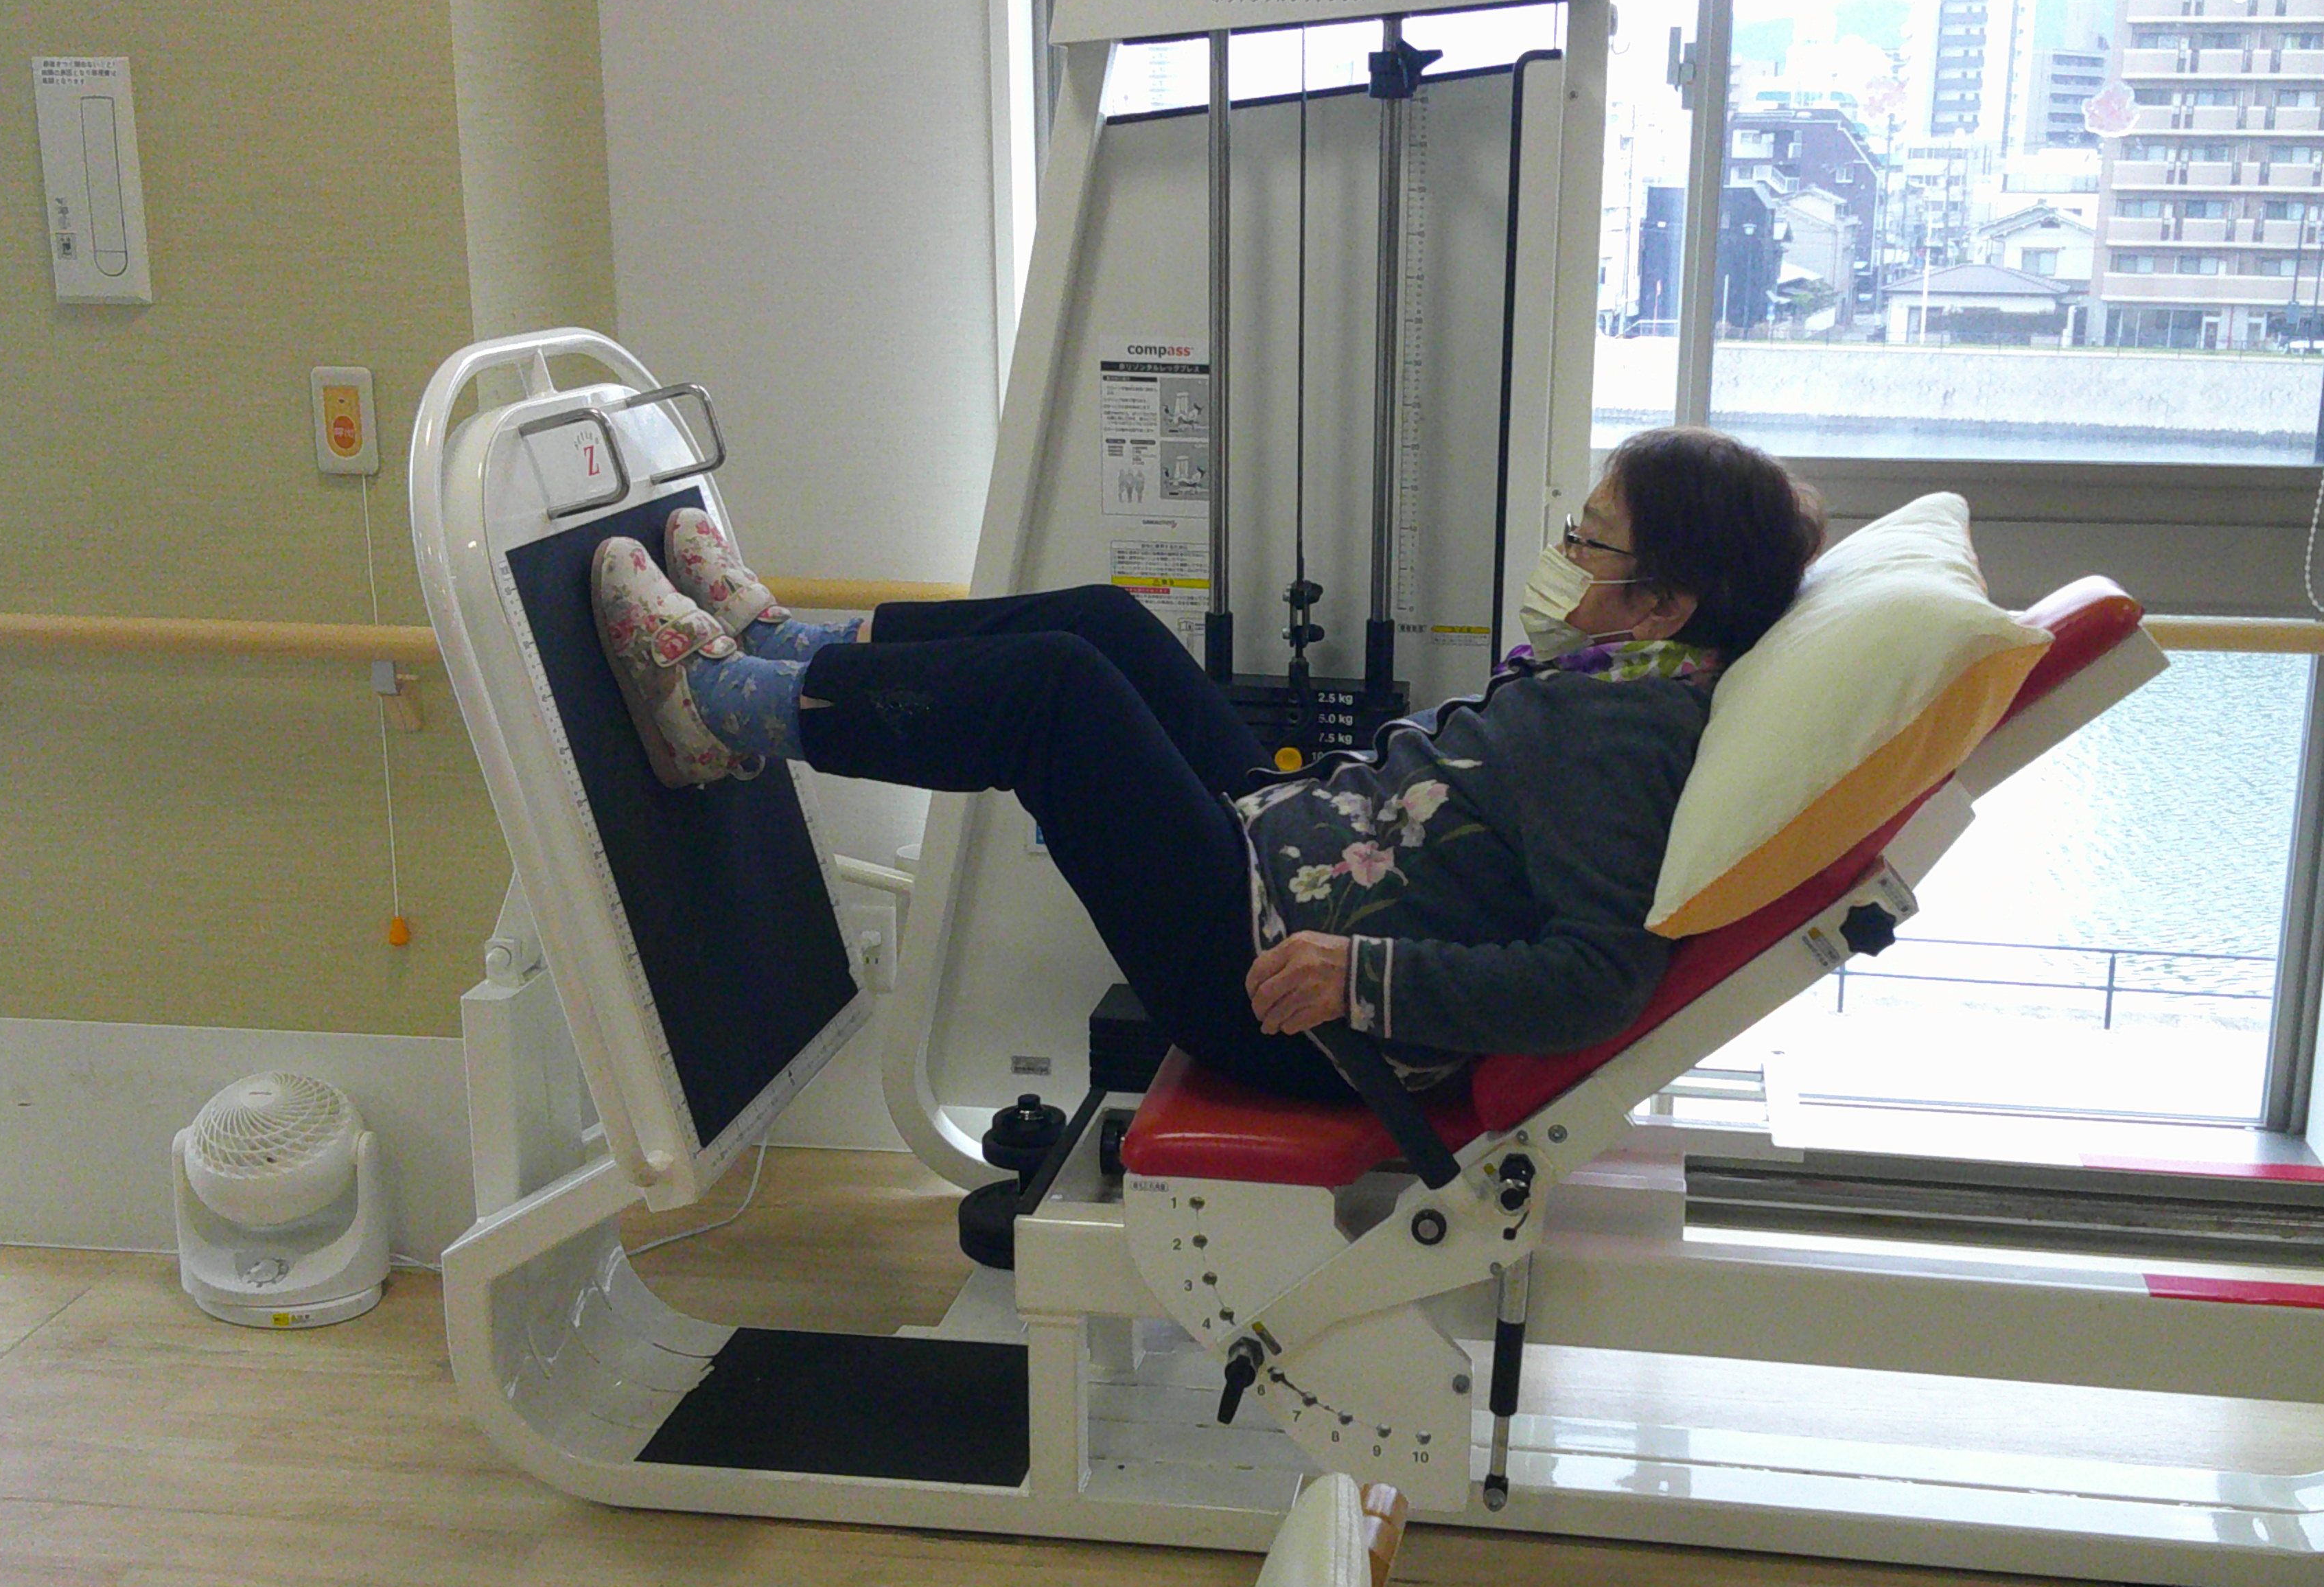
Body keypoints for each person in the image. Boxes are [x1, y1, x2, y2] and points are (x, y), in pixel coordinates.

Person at [592, 426, 1824, 1105]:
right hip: (1281, 855)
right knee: (1109, 627)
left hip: (1275, 989)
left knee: (1056, 693)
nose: (1562, 556)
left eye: (1588, 543)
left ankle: (720, 709)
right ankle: (787, 648)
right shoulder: (1618, 677)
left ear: (1661, 605)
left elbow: (1598, 980)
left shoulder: (1625, 733)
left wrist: (1358, 976)